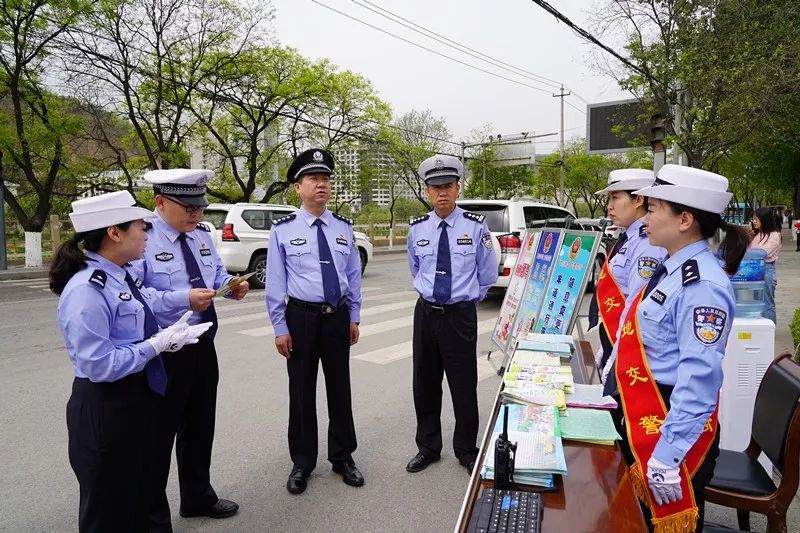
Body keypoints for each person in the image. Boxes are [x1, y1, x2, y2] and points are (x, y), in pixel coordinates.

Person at [50, 191, 211, 533]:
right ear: (114, 233)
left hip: (136, 397)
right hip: (107, 407)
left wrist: (177, 322)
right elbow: (98, 364)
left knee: (140, 493)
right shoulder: (86, 289)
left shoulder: (118, 274)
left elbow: (148, 298)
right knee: (109, 509)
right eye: (141, 226)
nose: (147, 234)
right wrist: (155, 346)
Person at [606, 164, 750, 533]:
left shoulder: (702, 286)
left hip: (670, 425)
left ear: (684, 219)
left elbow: (699, 380)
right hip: (645, 410)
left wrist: (668, 457)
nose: (646, 217)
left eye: (653, 208)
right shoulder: (672, 269)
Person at [131, 169, 249, 530]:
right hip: (164, 351)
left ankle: (197, 496)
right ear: (161, 202)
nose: (196, 214)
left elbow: (213, 274)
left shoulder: (200, 236)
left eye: (200, 206)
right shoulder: (143, 239)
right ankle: (153, 519)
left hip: (201, 344)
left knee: (200, 426)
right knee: (159, 436)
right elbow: (136, 295)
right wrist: (183, 298)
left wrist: (229, 285)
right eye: (188, 207)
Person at [265, 148, 364, 495]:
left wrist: (354, 316)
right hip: (301, 318)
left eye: (325, 179)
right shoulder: (282, 230)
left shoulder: (343, 228)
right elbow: (276, 282)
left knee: (340, 389)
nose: (321, 185)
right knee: (302, 392)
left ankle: (343, 457)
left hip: (336, 317)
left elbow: (352, 275)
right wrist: (280, 326)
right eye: (313, 179)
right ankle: (302, 462)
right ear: (298, 187)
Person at [404, 154, 498, 475]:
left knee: (462, 384)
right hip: (426, 314)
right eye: (435, 187)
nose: (441, 192)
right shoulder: (417, 229)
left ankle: (466, 449)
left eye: (447, 186)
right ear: (427, 192)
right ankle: (428, 448)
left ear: (458, 188)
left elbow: (487, 273)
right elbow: (415, 267)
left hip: (459, 315)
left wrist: (466, 300)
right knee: (425, 383)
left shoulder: (475, 226)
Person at [589, 168, 667, 388]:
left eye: (616, 197)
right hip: (614, 340)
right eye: (609, 199)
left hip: (628, 351)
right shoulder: (629, 238)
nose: (610, 206)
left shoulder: (646, 244)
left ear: (638, 200)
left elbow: (635, 306)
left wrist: (614, 359)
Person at [749, 207, 782, 323]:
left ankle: (769, 330)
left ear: (764, 219)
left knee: (767, 303)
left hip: (766, 270)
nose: (754, 221)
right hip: (754, 270)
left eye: (756, 219)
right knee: (755, 302)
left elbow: (762, 253)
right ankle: (760, 328)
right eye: (753, 219)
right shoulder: (756, 235)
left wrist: (748, 252)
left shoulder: (774, 235)